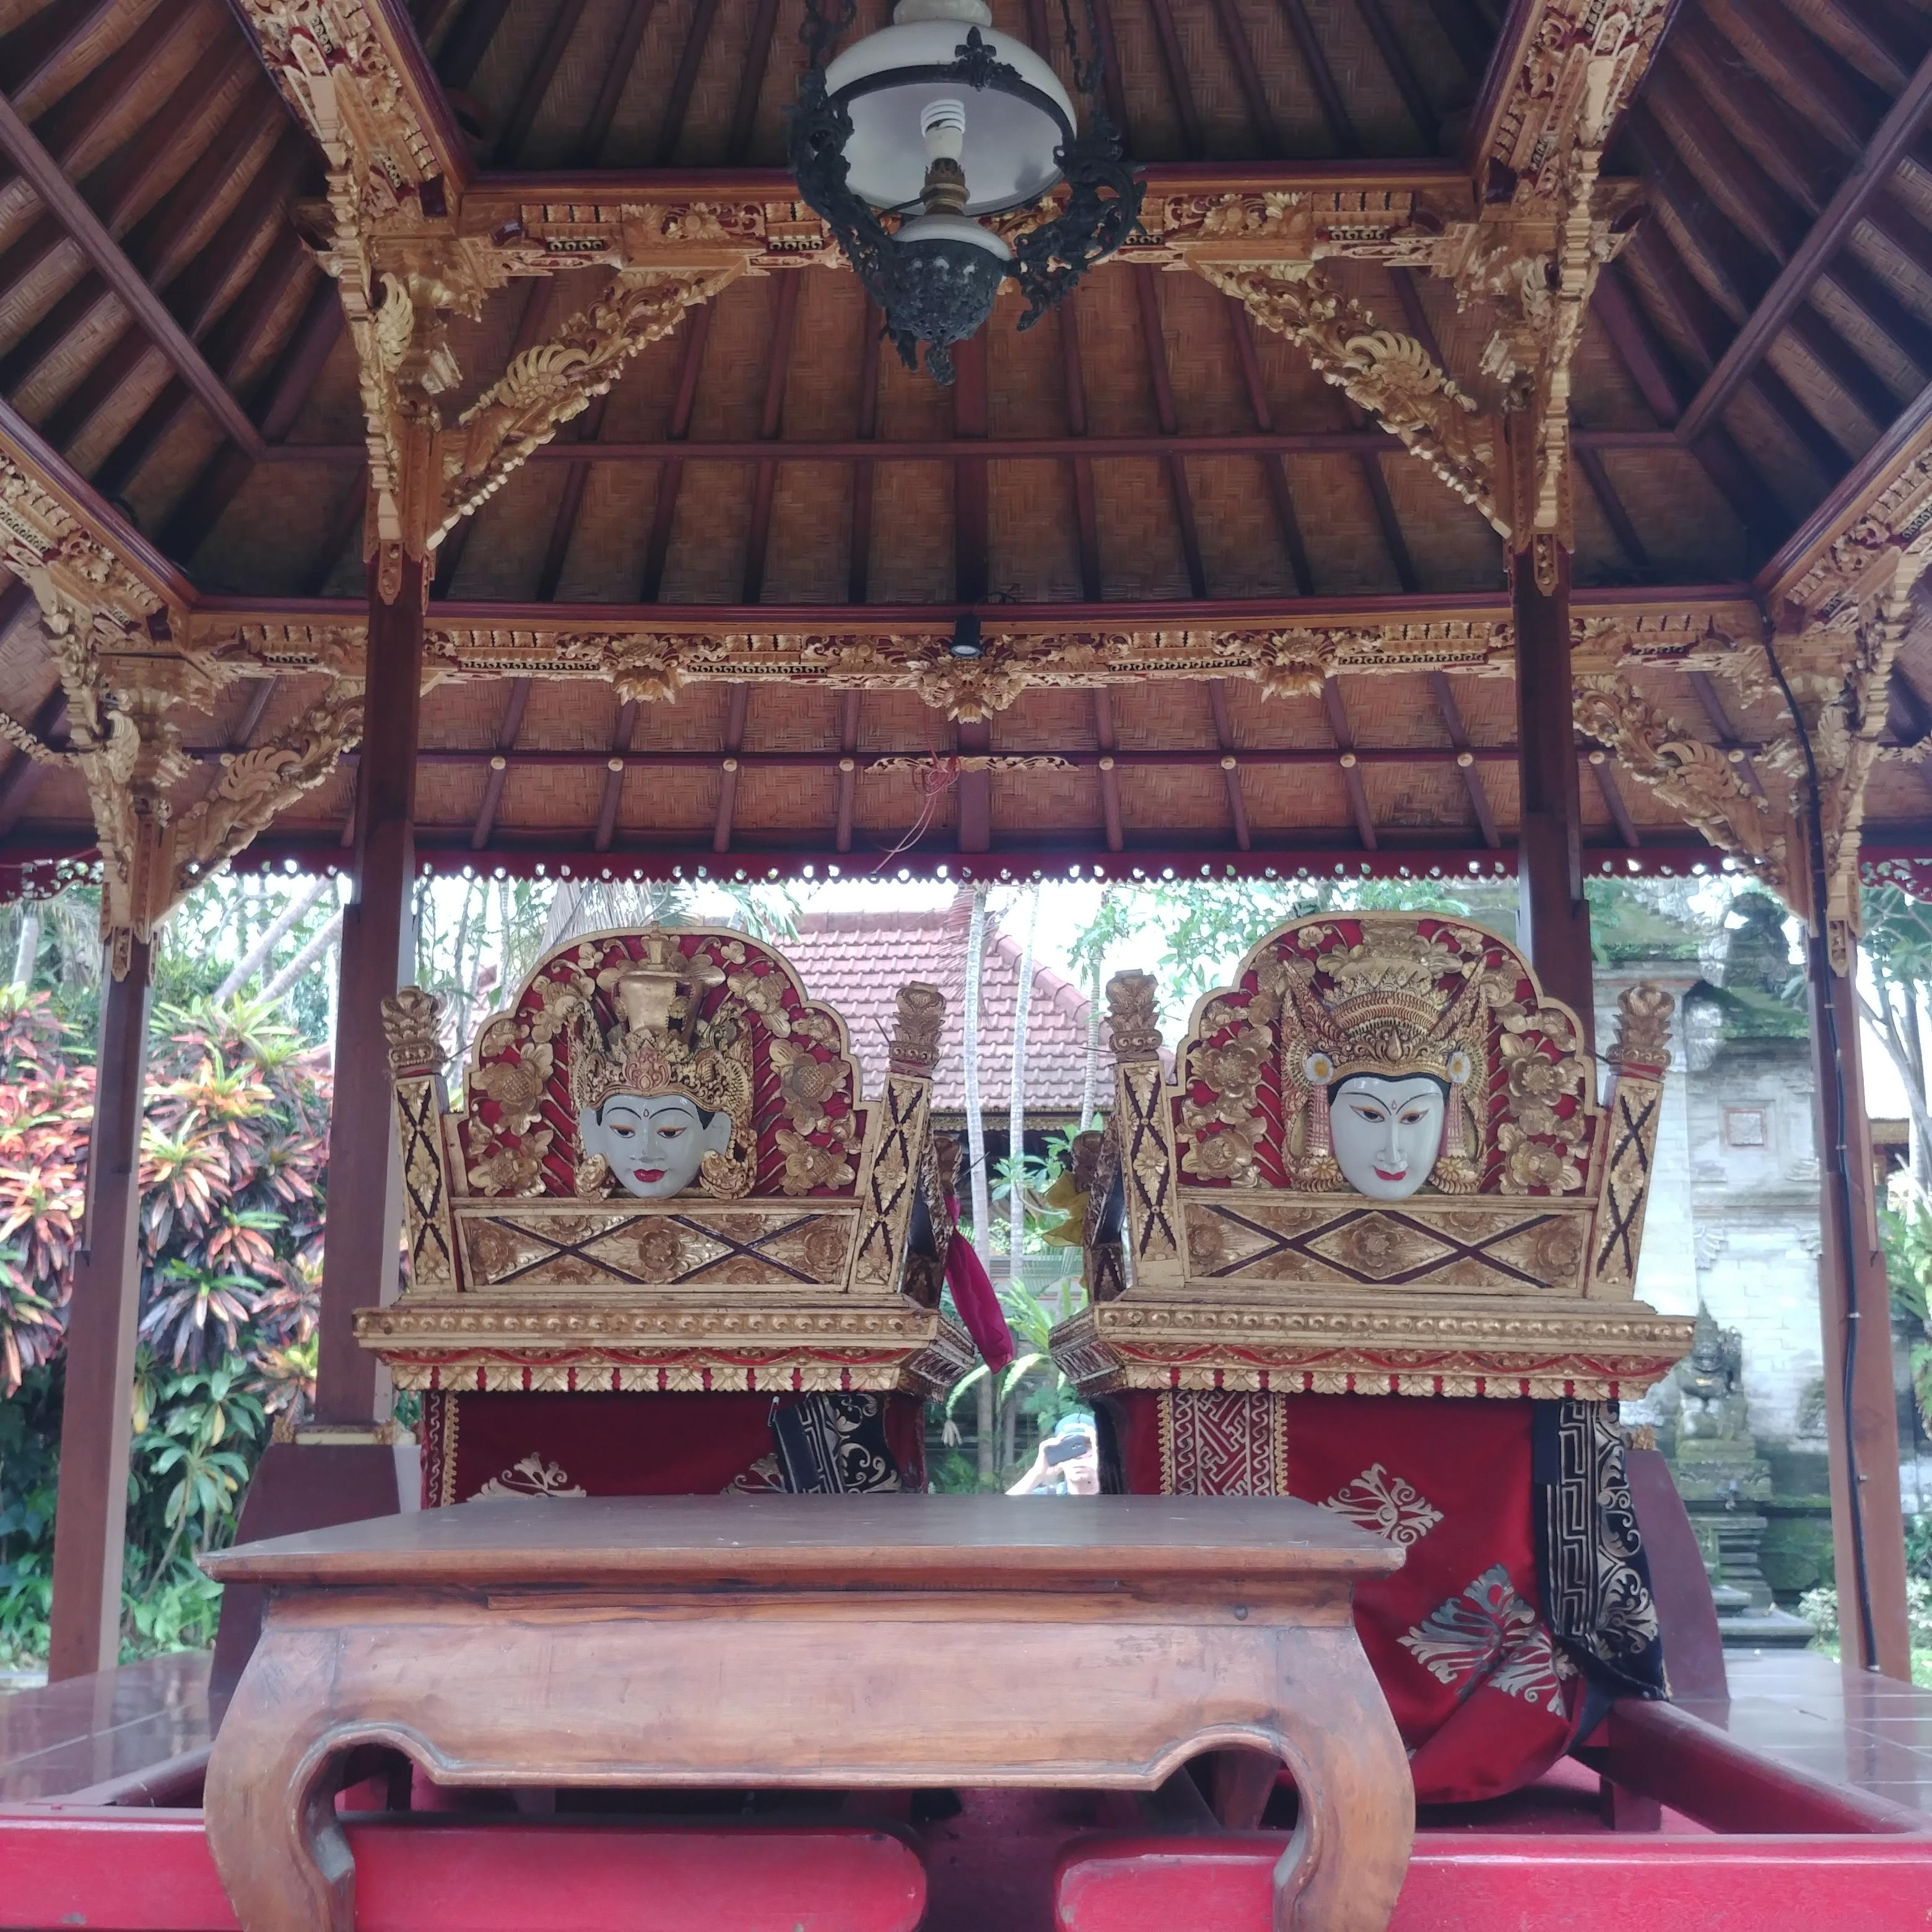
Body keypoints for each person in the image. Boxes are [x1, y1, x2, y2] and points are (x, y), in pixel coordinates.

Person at [1007, 1409, 1100, 1495]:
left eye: (1087, 1446)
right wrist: (1037, 1474)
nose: (1078, 1456)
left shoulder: (1110, 1495)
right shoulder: (1046, 1496)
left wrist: (1103, 1469)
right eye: (1069, 1446)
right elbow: (1004, 1506)